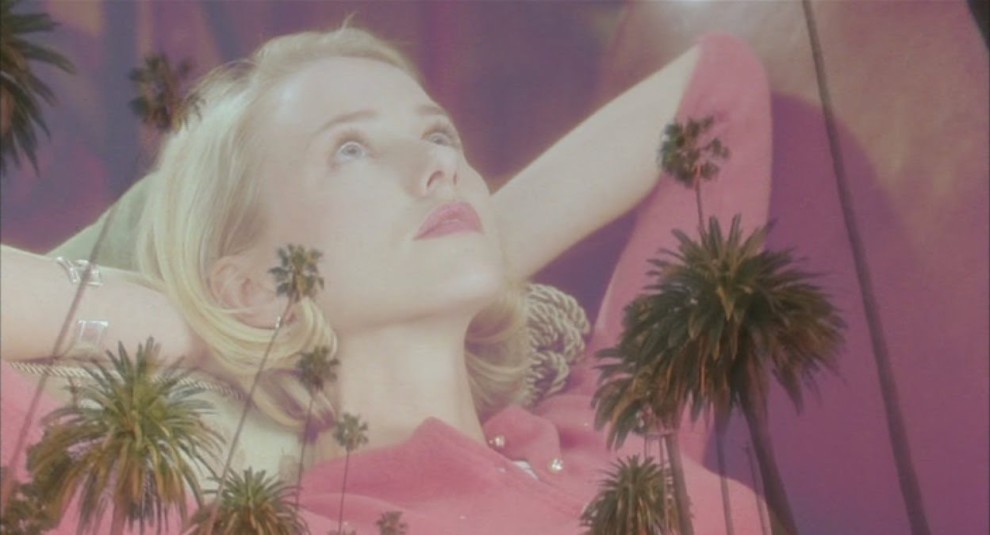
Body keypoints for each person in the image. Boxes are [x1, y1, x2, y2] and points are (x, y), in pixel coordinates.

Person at [1, 24, 773, 534]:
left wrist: (473, 244)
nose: (438, 163)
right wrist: (191, 322)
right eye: (350, 149)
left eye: (439, 134)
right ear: (252, 283)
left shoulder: (617, 425)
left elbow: (719, 90)